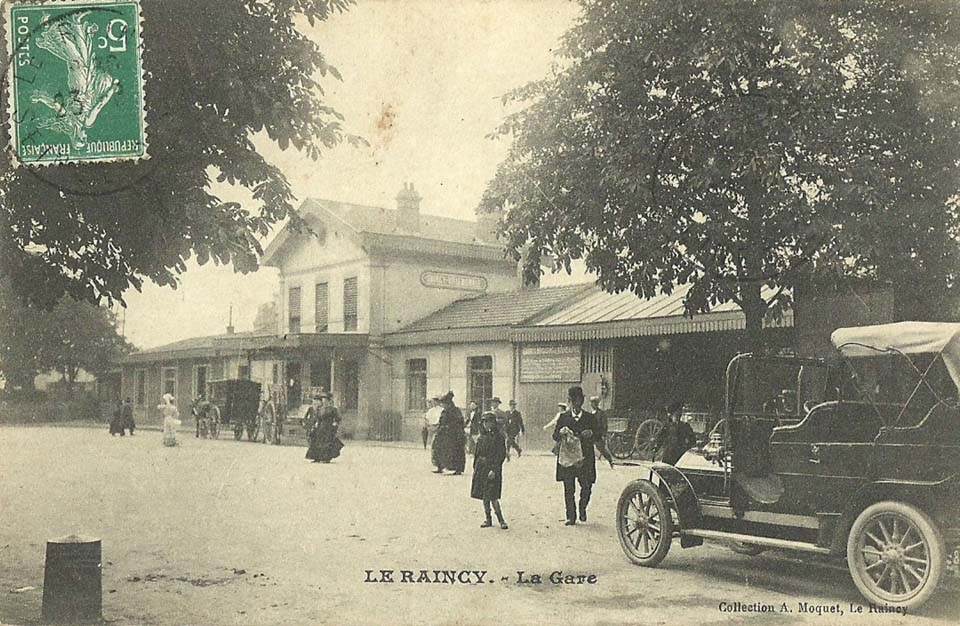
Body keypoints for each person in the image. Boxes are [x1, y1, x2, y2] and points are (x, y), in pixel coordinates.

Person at [553, 386, 597, 525]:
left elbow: (599, 435)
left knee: (587, 486)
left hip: (585, 457)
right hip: (568, 458)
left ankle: (582, 507)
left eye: (578, 401)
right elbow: (554, 436)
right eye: (573, 401)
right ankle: (571, 516)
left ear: (582, 401)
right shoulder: (563, 417)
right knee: (569, 488)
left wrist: (591, 434)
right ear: (570, 402)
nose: (576, 404)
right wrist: (560, 432)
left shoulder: (590, 418)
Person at [471, 412, 508, 529]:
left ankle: (501, 520)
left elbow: (500, 455)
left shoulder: (499, 437)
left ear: (494, 423)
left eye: (489, 422)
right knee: (484, 495)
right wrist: (475, 467)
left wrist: (494, 470)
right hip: (481, 468)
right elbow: (477, 454)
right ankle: (488, 519)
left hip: (493, 468)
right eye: (484, 422)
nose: (487, 424)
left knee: (493, 496)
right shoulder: (481, 437)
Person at [431, 391, 466, 475]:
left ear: (449, 403)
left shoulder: (455, 411)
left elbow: (459, 422)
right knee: (438, 448)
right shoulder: (444, 411)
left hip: (454, 435)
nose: (443, 405)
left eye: (445, 404)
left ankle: (457, 469)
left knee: (455, 451)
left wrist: (449, 427)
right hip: (443, 434)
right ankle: (440, 466)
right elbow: (441, 421)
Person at [314, 392, 343, 463]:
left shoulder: (333, 409)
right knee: (319, 441)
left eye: (326, 400)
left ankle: (326, 458)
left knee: (327, 442)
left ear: (329, 401)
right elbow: (318, 418)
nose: (324, 402)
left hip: (328, 427)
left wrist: (335, 423)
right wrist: (317, 423)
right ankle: (318, 457)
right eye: (323, 400)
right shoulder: (320, 409)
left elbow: (337, 418)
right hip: (321, 427)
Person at [589, 396, 614, 468]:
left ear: (597, 404)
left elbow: (604, 425)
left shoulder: (601, 413)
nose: (593, 405)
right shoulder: (590, 413)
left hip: (598, 434)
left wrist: (603, 435)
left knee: (601, 449)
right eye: (592, 403)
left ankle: (610, 460)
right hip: (591, 434)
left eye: (594, 403)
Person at [304, 394, 324, 462]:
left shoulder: (321, 409)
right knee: (311, 441)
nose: (315, 402)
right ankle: (314, 457)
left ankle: (318, 457)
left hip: (319, 426)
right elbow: (306, 416)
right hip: (311, 425)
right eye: (315, 401)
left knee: (318, 442)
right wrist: (306, 423)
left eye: (317, 401)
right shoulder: (311, 408)